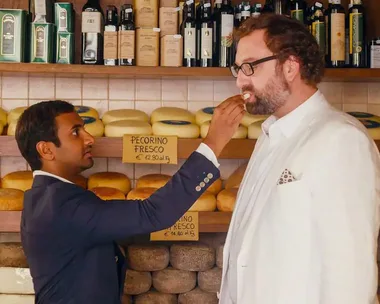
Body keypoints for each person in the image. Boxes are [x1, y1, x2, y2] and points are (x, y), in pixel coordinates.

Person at [15, 98, 245, 304]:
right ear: (46, 150)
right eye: (76, 132)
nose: (90, 138)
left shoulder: (45, 196)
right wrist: (214, 141)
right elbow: (154, 213)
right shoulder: (61, 206)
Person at [218, 14, 380, 304]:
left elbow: (351, 274)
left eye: (249, 66)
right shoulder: (270, 134)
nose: (240, 79)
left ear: (290, 66)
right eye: (237, 68)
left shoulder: (341, 140)